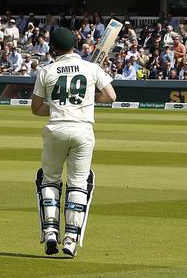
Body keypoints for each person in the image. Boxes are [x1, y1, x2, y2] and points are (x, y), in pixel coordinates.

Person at [31, 27, 116, 258]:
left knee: (49, 180)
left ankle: (50, 232)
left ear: (52, 48)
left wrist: (61, 108)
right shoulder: (92, 68)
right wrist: (88, 100)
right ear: (74, 45)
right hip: (83, 130)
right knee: (78, 183)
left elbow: (36, 109)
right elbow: (111, 96)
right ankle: (70, 239)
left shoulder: (46, 70)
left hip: (56, 128)